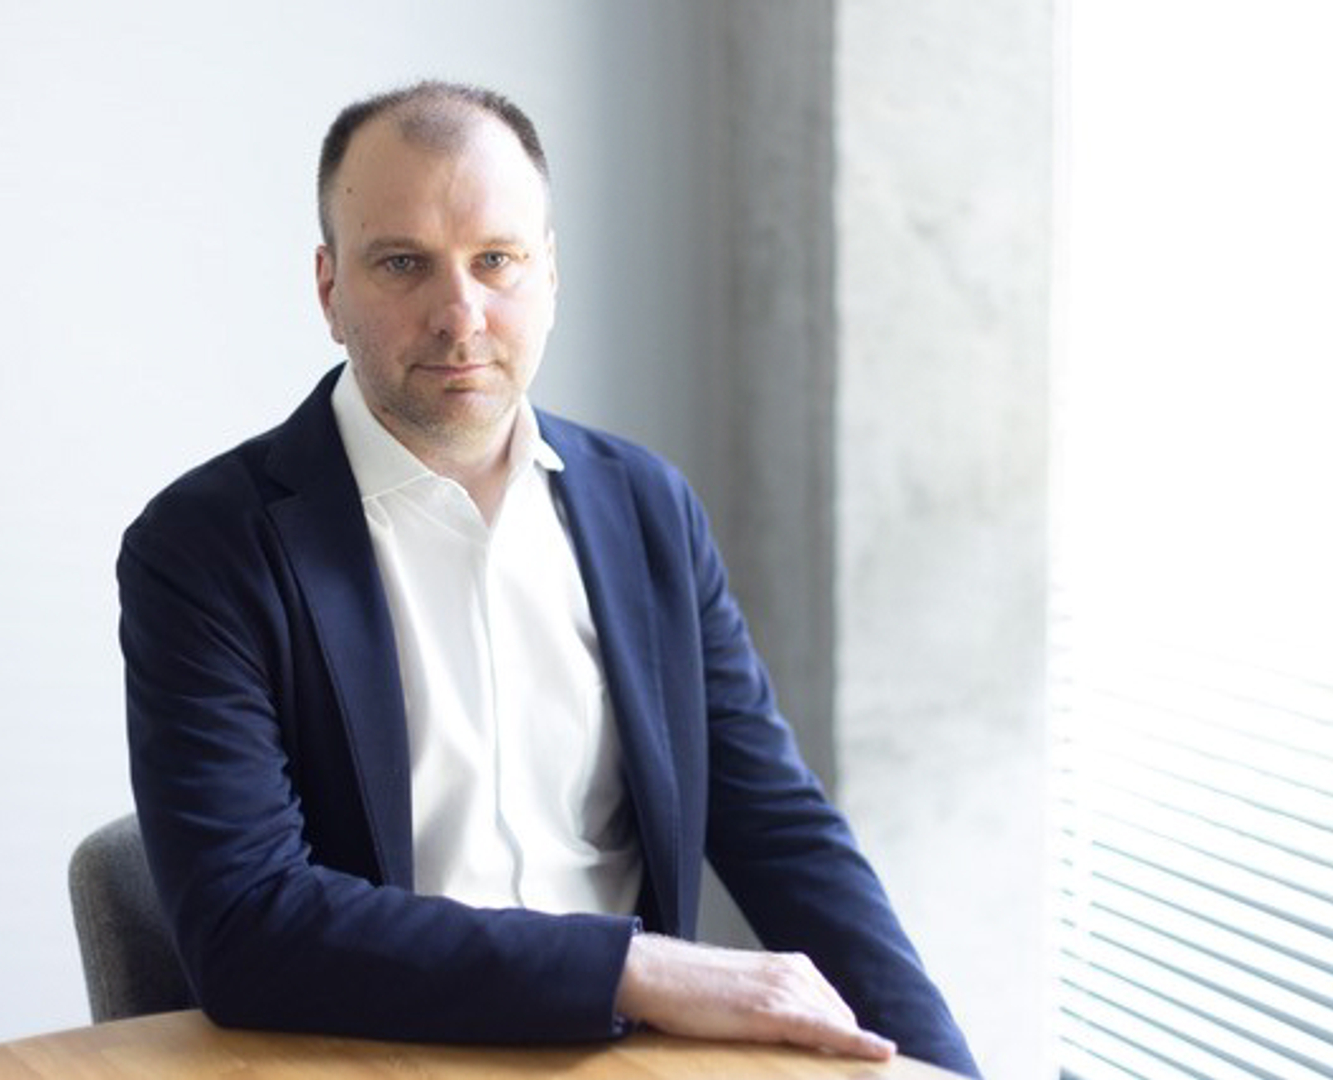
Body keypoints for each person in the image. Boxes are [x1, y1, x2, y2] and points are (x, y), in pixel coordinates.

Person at [118, 80, 979, 1077]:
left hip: (629, 1063)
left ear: (550, 274)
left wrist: (945, 1069)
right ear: (329, 290)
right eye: (402, 263)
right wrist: (632, 968)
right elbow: (245, 925)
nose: (460, 316)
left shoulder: (646, 507)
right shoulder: (205, 547)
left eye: (496, 260)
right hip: (369, 1058)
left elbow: (782, 834)